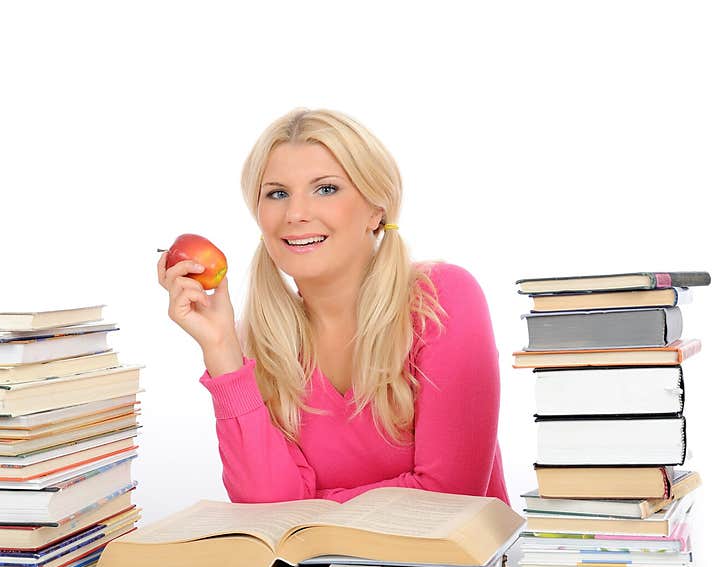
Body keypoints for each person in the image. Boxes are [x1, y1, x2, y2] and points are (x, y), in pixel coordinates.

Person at [157, 107, 509, 505]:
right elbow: (264, 510)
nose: (295, 214)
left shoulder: (441, 299)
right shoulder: (260, 343)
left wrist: (311, 504)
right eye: (277, 193)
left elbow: (449, 497)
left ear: (377, 210)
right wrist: (222, 352)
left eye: (325, 188)